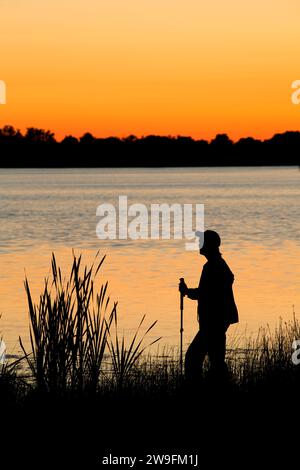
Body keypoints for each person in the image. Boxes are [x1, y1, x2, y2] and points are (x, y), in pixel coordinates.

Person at [179, 230, 238, 384]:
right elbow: (208, 292)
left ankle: (195, 389)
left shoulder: (214, 266)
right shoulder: (215, 264)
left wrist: (187, 292)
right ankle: (222, 387)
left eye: (202, 241)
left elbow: (207, 293)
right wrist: (188, 292)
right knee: (216, 360)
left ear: (209, 245)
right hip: (216, 321)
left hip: (214, 322)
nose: (198, 244)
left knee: (192, 358)